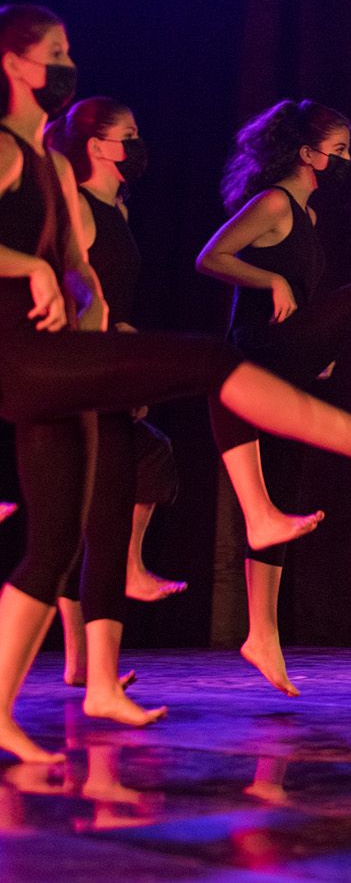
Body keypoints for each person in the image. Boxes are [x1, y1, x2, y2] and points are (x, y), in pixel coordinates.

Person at [0, 3, 351, 763]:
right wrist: (27, 270)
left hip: (65, 358)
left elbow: (81, 275)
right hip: (19, 356)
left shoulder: (51, 164)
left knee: (59, 540)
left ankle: (55, 697)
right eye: (53, 50)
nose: (65, 61)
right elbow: (36, 263)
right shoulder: (3, 151)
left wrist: (100, 325)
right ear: (15, 66)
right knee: (214, 363)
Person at [196, 99, 351, 696]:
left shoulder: (305, 215)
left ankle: (262, 635)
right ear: (307, 154)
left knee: (279, 506)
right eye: (337, 152)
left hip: (291, 357)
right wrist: (273, 279)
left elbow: (302, 299)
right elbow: (210, 256)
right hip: (260, 355)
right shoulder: (276, 203)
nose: (346, 161)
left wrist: (321, 340)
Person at [44, 96, 183, 722]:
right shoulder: (76, 202)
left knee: (90, 517)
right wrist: (109, 347)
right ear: (96, 145)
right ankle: (99, 679)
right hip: (85, 371)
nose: (136, 144)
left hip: (108, 367)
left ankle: (87, 667)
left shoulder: (116, 207)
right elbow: (73, 283)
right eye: (126, 135)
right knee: (98, 520)